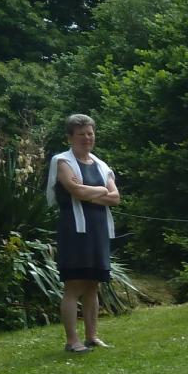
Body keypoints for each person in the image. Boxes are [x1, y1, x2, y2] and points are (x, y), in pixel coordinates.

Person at [45, 114, 121, 353]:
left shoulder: (101, 164)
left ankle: (92, 336)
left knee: (92, 285)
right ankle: (72, 341)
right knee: (74, 285)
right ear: (70, 137)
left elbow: (116, 198)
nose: (87, 138)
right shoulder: (62, 161)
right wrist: (100, 190)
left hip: (97, 231)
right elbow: (75, 190)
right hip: (75, 231)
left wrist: (92, 191)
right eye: (81, 134)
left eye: (90, 133)